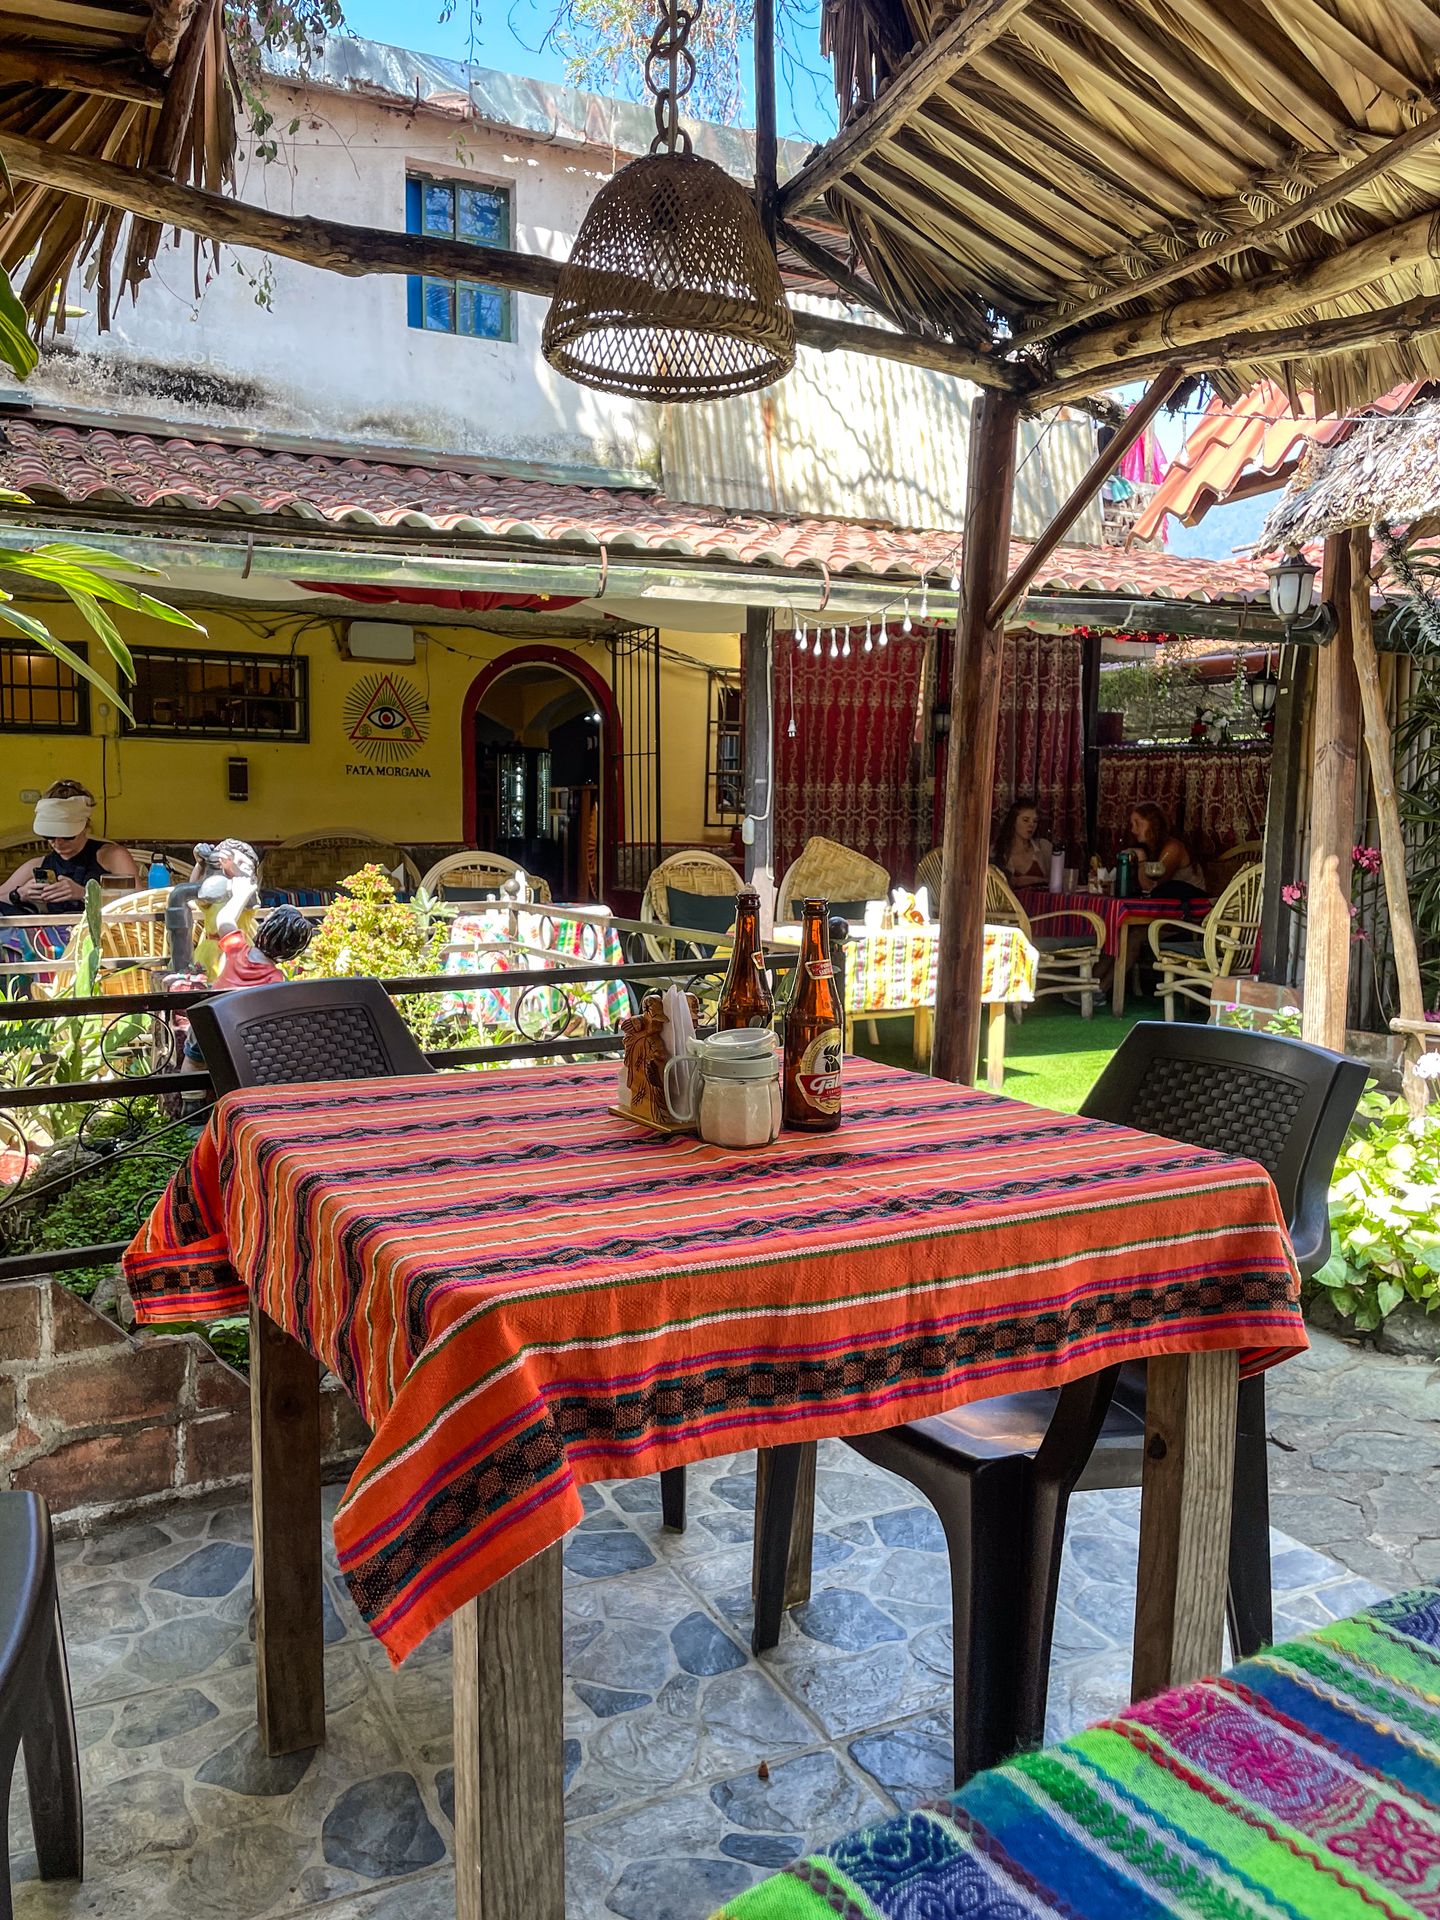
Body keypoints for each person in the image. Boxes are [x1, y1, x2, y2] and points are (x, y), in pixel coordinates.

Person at [0, 780, 137, 912]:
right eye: (50, 837)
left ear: (85, 827)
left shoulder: (111, 856)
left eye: (67, 836)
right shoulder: (38, 864)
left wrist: (85, 894)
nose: (58, 844)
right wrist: (18, 894)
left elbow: (139, 899)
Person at [1121, 802, 1207, 900]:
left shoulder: (1173, 848)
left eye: (1138, 824)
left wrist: (1141, 860)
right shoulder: (1148, 848)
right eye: (1132, 825)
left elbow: (1152, 888)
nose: (1133, 830)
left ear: (1154, 824)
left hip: (1192, 905)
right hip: (1169, 904)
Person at [992, 797, 1052, 886]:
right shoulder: (996, 850)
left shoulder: (1044, 847)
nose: (1031, 825)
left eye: (1035, 821)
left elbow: (1057, 881)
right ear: (1013, 821)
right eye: (1025, 820)